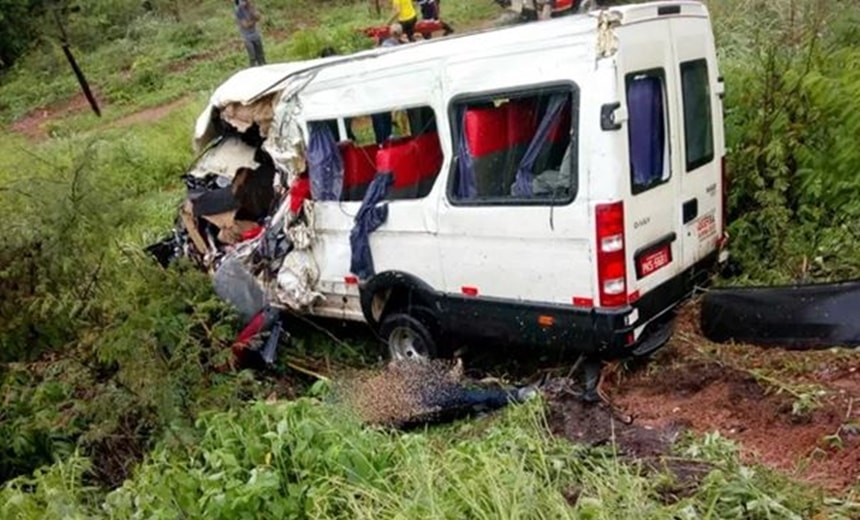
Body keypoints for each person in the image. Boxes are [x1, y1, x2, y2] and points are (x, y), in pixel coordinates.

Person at [233, 0, 266, 67]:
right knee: (252, 56)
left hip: (255, 34)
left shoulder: (251, 7)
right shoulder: (239, 11)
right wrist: (254, 20)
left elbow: (258, 17)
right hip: (247, 37)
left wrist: (251, 11)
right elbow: (246, 25)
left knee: (261, 55)